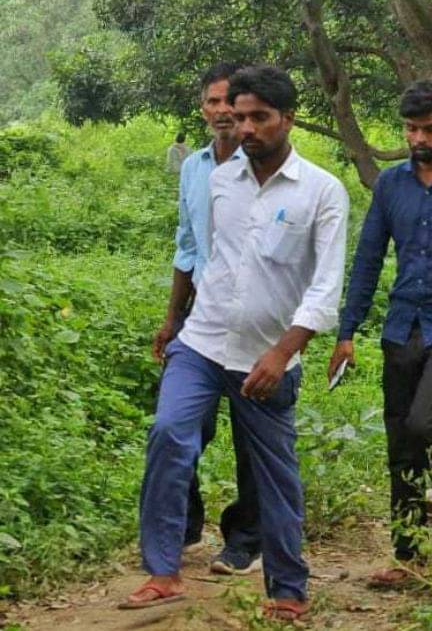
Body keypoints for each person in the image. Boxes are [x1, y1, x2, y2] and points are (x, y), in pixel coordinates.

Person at [125, 65, 349, 622]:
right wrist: (176, 320)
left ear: (287, 120)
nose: (244, 126)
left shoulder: (322, 191)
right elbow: (205, 258)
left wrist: (281, 352)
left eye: (258, 117)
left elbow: (324, 290)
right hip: (202, 343)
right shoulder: (219, 179)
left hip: (267, 357)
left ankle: (289, 588)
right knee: (170, 434)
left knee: (273, 472)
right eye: (239, 116)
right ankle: (162, 571)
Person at [330, 80, 432, 588]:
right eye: (411, 128)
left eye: (429, 128)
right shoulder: (390, 184)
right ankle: (408, 556)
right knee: (400, 442)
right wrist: (347, 330)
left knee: (425, 422)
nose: (419, 137)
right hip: (402, 324)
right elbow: (367, 259)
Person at [150, 62, 262, 577]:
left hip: (252, 314)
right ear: (203, 108)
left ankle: (244, 538)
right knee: (179, 423)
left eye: (229, 104)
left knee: (250, 430)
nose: (221, 112)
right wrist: (172, 318)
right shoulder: (195, 166)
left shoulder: (260, 164)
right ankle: (184, 523)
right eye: (212, 102)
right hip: (200, 314)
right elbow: (187, 245)